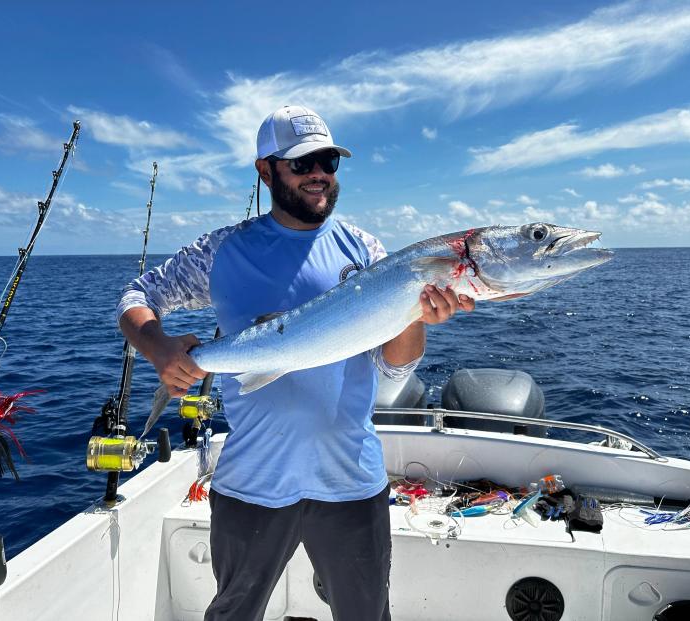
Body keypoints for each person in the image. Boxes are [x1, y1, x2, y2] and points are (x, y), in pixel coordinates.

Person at [116, 105, 474, 620]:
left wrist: (415, 313)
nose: (319, 176)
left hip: (351, 479)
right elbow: (137, 294)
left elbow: (395, 367)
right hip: (251, 481)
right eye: (302, 164)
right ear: (265, 170)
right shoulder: (222, 250)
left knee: (366, 614)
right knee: (234, 612)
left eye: (328, 162)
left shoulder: (367, 251)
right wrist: (158, 347)